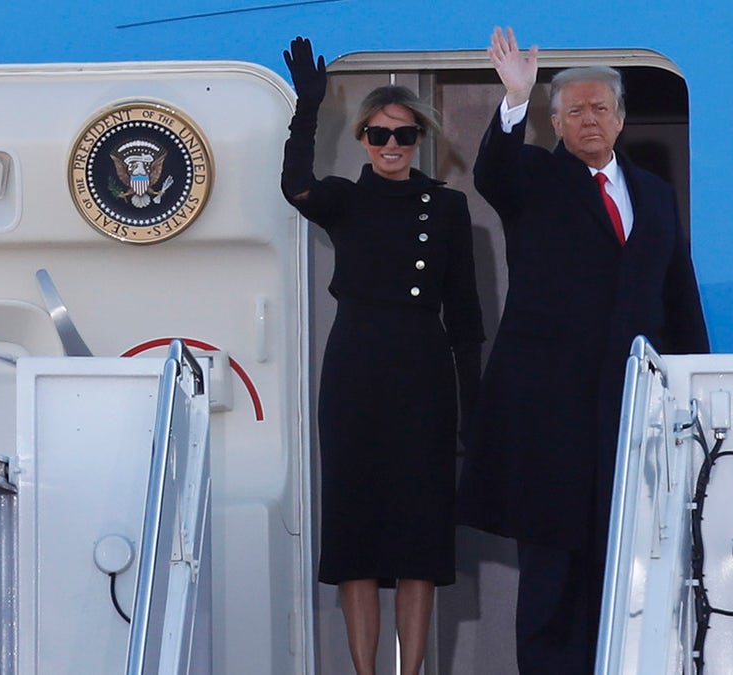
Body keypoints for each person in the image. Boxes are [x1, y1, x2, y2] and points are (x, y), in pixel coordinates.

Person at [456, 27, 710, 674]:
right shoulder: (535, 176)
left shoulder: (654, 192)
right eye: (575, 110)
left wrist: (695, 382)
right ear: (556, 122)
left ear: (621, 119)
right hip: (551, 413)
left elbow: (677, 292)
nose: (589, 119)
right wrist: (513, 98)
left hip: (631, 411)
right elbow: (494, 173)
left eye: (601, 108)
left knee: (626, 558)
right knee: (552, 568)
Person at [280, 37, 484, 675]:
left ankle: (412, 670)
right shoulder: (345, 198)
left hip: (423, 376)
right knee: (357, 538)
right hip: (357, 374)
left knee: (420, 542)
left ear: (419, 139)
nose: (390, 147)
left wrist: (471, 409)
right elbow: (295, 187)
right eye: (376, 135)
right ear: (363, 139)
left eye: (401, 136)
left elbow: (467, 317)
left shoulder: (448, 209)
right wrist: (306, 110)